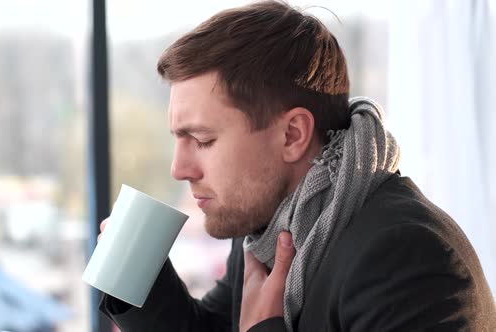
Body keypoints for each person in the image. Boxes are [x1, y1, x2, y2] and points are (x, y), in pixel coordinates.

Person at [98, 1, 496, 331]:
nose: (180, 169)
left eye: (202, 140)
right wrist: (138, 268)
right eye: (178, 138)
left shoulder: (411, 260)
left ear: (291, 135)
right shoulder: (271, 226)